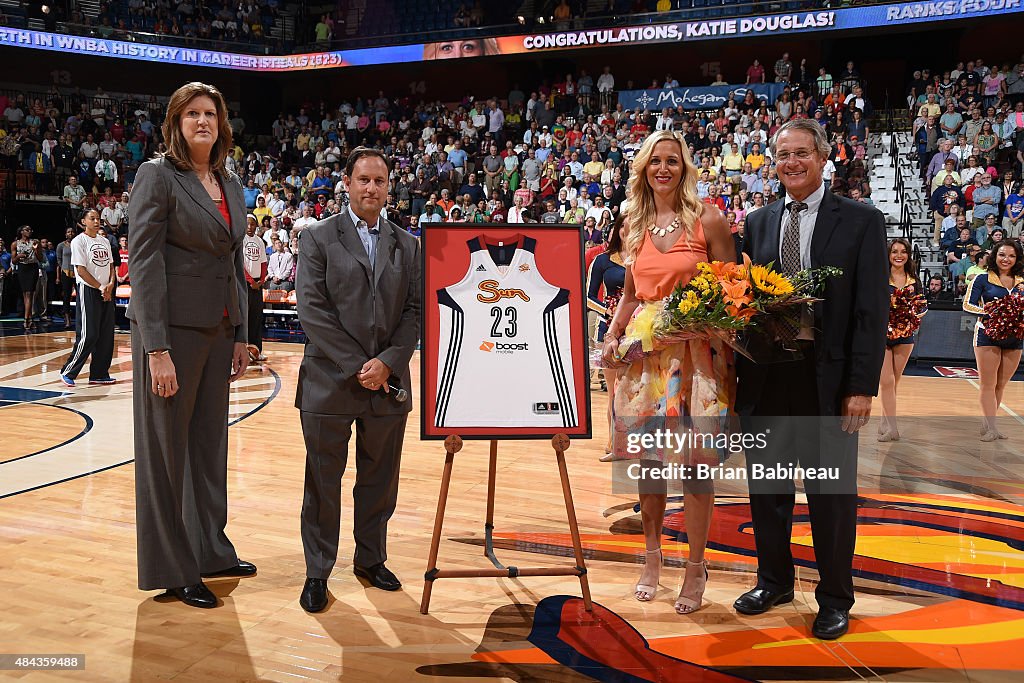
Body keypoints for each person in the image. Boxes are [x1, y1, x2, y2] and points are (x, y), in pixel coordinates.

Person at [733, 119, 888, 640]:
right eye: (782, 155)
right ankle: (774, 581)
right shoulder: (758, 222)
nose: (791, 163)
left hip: (829, 382)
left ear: (823, 158)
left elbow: (871, 311)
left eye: (801, 153)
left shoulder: (862, 220)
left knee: (831, 498)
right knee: (767, 491)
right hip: (767, 380)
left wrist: (861, 387)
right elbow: (746, 306)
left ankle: (835, 597)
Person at [129, 82, 254, 610]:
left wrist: (242, 333)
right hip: (172, 335)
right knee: (165, 454)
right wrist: (155, 348)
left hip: (220, 329)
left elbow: (233, 260)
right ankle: (173, 569)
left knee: (208, 448)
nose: (203, 121)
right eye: (192, 114)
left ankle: (211, 550)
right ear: (176, 123)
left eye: (211, 113)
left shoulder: (230, 181)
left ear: (221, 124)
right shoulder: (157, 175)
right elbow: (144, 261)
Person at [601, 130, 734, 616]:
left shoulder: (708, 219)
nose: (663, 169)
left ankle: (696, 567)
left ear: (684, 168)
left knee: (697, 467)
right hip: (645, 359)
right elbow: (631, 295)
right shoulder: (632, 224)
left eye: (672, 161)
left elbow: (732, 290)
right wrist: (612, 334)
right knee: (650, 465)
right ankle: (652, 558)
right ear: (643, 169)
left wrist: (700, 326)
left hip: (697, 357)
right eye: (655, 161)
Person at [294, 147, 421, 613]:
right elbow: (312, 310)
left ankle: (370, 559)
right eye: (363, 179)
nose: (371, 188)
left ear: (389, 187)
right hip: (329, 380)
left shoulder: (407, 244)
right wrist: (358, 365)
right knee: (323, 482)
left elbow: (414, 312)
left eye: (379, 181)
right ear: (346, 183)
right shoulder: (318, 237)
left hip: (387, 382)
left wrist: (387, 362)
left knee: (379, 481)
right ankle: (317, 571)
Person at [963, 240, 1024, 441]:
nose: (1006, 259)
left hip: (1015, 337)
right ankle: (991, 428)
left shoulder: (1021, 281)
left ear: (1017, 258)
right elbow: (968, 305)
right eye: (1002, 255)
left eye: (1012, 256)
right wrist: (991, 313)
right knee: (988, 384)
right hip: (987, 335)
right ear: (994, 256)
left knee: (1001, 384)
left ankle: (988, 424)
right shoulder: (982, 278)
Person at [59, 208, 116, 387]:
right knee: (89, 334)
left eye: (98, 218)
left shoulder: (105, 241)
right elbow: (81, 270)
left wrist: (110, 285)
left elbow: (111, 266)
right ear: (83, 222)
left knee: (106, 335)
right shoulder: (79, 241)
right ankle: (68, 371)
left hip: (106, 291)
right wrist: (100, 287)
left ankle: (99, 374)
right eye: (92, 218)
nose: (97, 221)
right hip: (89, 290)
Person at [877, 238, 925, 442]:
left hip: (905, 336)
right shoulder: (880, 277)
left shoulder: (914, 279)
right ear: (888, 255)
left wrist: (914, 314)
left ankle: (885, 421)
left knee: (894, 382)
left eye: (903, 251)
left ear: (908, 255)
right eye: (894, 251)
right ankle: (893, 428)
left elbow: (922, 305)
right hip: (881, 335)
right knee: (886, 381)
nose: (899, 255)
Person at [587, 217, 627, 461]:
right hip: (609, 328)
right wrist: (609, 312)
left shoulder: (644, 258)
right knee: (613, 389)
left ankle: (636, 440)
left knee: (636, 386)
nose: (627, 231)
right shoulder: (602, 260)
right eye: (622, 226)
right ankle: (614, 440)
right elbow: (588, 296)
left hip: (640, 327)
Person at [242, 215, 268, 363]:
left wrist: (261, 280)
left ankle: (257, 350)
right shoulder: (241, 240)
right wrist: (251, 281)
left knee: (256, 317)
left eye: (252, 224)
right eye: (248, 224)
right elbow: (240, 264)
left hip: (257, 284)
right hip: (245, 283)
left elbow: (263, 263)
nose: (250, 227)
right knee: (244, 318)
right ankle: (242, 351)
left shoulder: (259, 241)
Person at [11, 225, 43, 329]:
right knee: (25, 294)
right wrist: (18, 256)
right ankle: (30, 319)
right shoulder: (15, 244)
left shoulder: (35, 242)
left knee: (29, 294)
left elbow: (40, 258)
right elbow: (13, 261)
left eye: (30, 230)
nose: (29, 231)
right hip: (22, 268)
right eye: (27, 230)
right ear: (21, 232)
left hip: (32, 268)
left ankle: (26, 319)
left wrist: (36, 250)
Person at [55, 227, 75, 326]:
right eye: (68, 232)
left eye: (72, 232)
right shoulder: (61, 245)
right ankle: (67, 318)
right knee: (67, 295)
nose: (70, 233)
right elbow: (59, 260)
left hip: (77, 272)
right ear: (65, 234)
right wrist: (63, 269)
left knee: (80, 295)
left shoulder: (77, 244)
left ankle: (81, 316)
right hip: (66, 272)